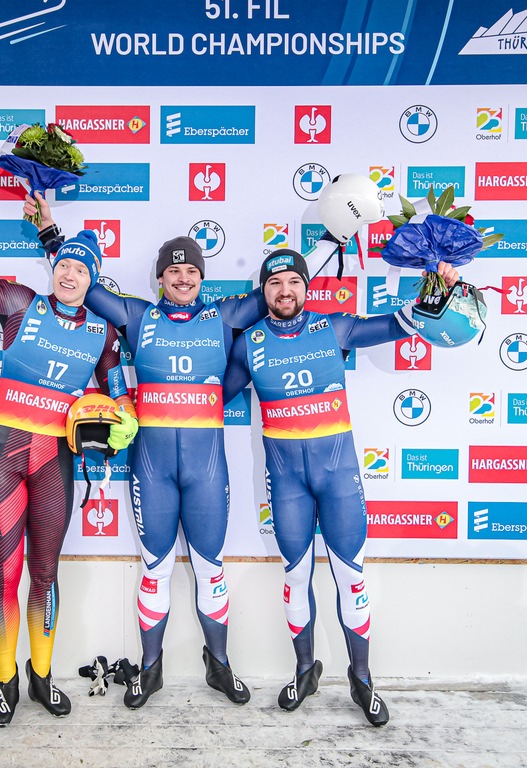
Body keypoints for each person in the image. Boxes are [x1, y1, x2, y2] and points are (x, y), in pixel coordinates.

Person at [27, 194, 345, 709]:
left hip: (206, 472)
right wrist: (49, 235)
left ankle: (217, 666)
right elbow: (77, 280)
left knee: (210, 569)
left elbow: (283, 293)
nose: (182, 278)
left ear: (202, 278)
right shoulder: (134, 315)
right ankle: (150, 672)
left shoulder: (226, 317)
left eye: (191, 271)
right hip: (151, 471)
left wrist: (334, 239)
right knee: (154, 570)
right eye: (173, 272)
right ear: (159, 279)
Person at [0, 159, 138, 726]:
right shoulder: (18, 303)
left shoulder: (102, 333)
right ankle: (5, 680)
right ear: (54, 267)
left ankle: (41, 677)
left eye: (82, 272)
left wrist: (120, 422)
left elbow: (119, 396)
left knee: (46, 573)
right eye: (64, 265)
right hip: (5, 456)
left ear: (92, 282)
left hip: (55, 462)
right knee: (5, 573)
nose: (70, 275)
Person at [223, 249, 458, 725]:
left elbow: (402, 324)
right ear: (262, 292)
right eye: (274, 283)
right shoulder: (248, 343)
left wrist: (439, 286)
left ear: (306, 287)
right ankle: (306, 670)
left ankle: (363, 678)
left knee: (351, 576)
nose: (285, 290)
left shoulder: (334, 328)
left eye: (293, 281)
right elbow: (209, 398)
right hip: (287, 484)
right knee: (295, 575)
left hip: (339, 480)